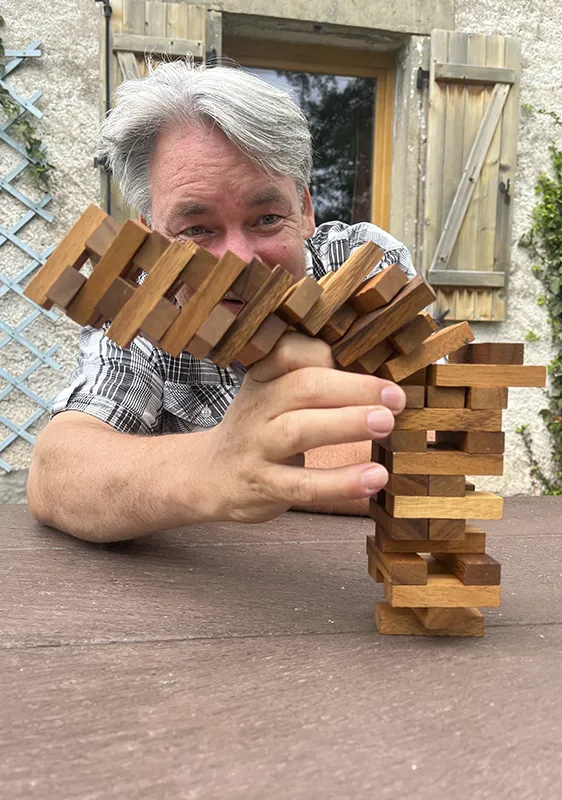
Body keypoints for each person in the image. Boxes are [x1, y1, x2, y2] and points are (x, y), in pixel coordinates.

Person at [27, 61, 416, 543]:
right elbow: (56, 472)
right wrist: (214, 464)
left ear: (306, 208)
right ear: (153, 237)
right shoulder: (141, 305)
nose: (239, 260)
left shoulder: (361, 265)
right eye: (197, 229)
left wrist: (247, 464)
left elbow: (434, 445)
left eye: (267, 218)